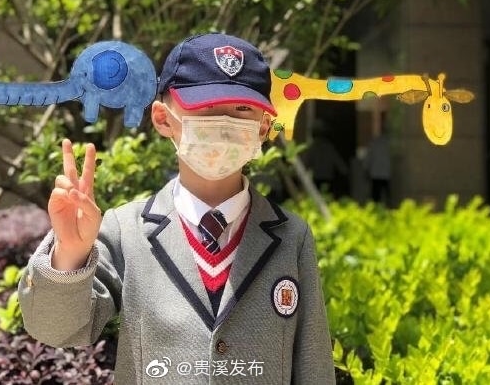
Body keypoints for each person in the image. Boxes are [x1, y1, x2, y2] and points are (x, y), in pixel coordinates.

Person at [18, 33, 336, 384]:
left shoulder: (292, 236)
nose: (225, 123)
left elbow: (314, 365)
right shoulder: (126, 230)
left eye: (242, 109)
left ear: (263, 126)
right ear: (162, 118)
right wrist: (70, 256)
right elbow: (56, 329)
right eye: (205, 107)